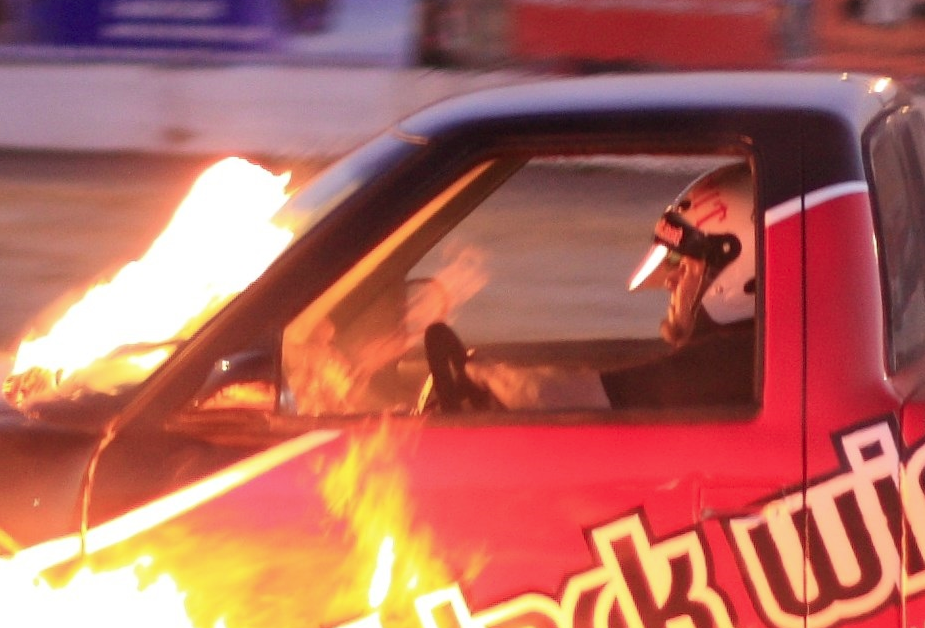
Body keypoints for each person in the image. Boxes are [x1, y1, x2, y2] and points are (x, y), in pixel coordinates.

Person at [465, 161, 757, 410]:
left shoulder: (730, 364)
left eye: (685, 266)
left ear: (740, 277)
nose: (670, 280)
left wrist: (486, 375)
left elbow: (574, 398)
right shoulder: (750, 356)